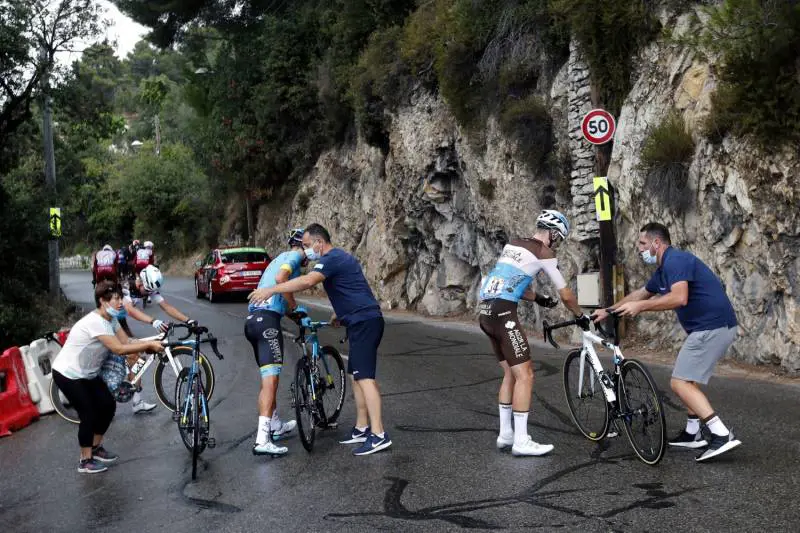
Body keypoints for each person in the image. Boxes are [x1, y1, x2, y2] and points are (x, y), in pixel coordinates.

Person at [592, 223, 741, 462]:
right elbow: (640, 294)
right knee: (688, 378)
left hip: (712, 327)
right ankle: (693, 433)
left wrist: (641, 307)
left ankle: (721, 434)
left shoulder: (676, 261)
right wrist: (609, 310)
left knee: (679, 383)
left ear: (656, 243)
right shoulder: (663, 270)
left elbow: (679, 297)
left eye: (642, 244)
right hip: (710, 328)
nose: (639, 249)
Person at [248, 223, 391, 456]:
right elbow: (352, 289)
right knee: (356, 376)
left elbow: (307, 282)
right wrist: (338, 314)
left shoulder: (331, 258)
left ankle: (378, 435)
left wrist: (272, 290)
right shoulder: (339, 259)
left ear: (319, 242)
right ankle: (362, 428)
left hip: (365, 322)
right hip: (358, 321)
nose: (305, 251)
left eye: (307, 246)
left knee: (365, 378)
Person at [478, 209, 587, 456]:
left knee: (510, 373)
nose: (556, 243)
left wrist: (538, 298)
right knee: (526, 374)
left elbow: (510, 283)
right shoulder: (543, 252)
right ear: (551, 233)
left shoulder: (513, 245)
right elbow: (566, 293)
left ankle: (506, 434)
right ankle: (522, 440)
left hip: (485, 311)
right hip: (503, 312)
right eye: (557, 237)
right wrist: (579, 315)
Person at [51, 281, 164, 473]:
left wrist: (151, 341)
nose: (121, 302)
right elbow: (119, 348)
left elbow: (126, 341)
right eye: (116, 299)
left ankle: (95, 448)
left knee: (108, 405)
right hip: (68, 373)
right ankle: (85, 461)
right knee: (88, 412)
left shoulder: (111, 320)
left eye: (121, 298)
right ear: (103, 301)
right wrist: (147, 346)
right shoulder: (95, 322)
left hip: (88, 373)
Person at [244, 229, 307, 456]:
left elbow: (276, 295)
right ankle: (262, 439)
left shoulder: (277, 259)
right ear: (302, 245)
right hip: (267, 323)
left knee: (267, 378)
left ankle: (275, 425)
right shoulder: (294, 257)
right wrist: (294, 306)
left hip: (253, 321)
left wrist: (294, 313)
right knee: (271, 381)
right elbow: (281, 282)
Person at [119, 265, 197, 414]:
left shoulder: (149, 287)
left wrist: (188, 320)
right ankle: (117, 380)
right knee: (133, 353)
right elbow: (130, 310)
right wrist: (153, 321)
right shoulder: (126, 287)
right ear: (140, 282)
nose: (148, 295)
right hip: (110, 323)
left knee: (137, 358)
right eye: (146, 291)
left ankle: (135, 399)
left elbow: (166, 306)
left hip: (120, 322)